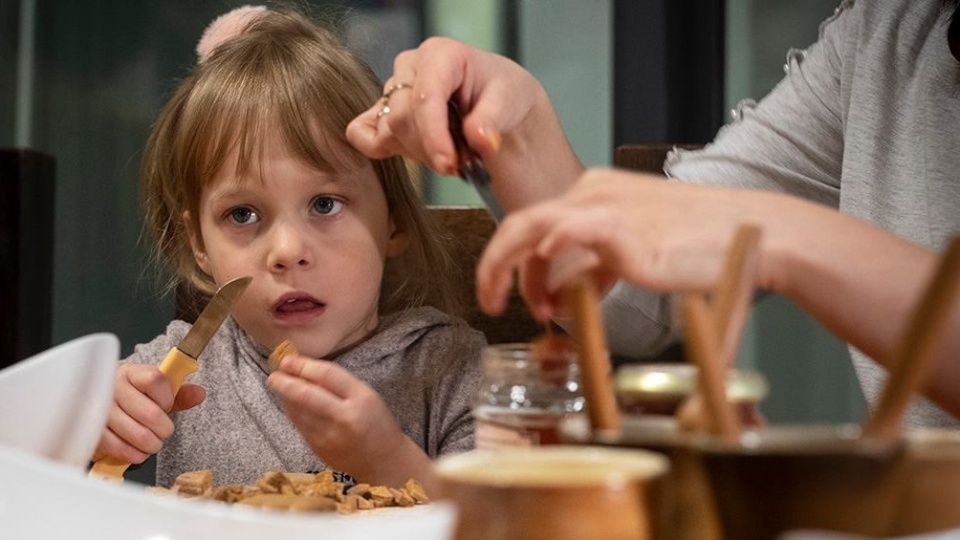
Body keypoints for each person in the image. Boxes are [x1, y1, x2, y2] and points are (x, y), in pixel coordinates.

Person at [347, 0, 960, 427]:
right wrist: (517, 129)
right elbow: (645, 289)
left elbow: (730, 234)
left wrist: (784, 239)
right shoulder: (888, 33)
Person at [92, 6, 484, 494]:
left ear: (395, 220)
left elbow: (504, 525)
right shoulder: (169, 369)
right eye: (242, 215)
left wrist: (387, 460)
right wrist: (85, 429)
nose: (287, 251)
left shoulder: (451, 370)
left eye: (324, 203)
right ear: (199, 245)